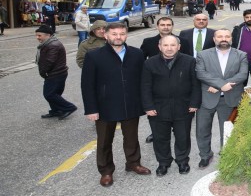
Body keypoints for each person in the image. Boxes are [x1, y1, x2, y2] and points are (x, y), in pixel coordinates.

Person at [81, 23, 151, 187]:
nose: (118, 37)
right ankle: (106, 171)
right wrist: (91, 109)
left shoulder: (137, 54)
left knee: (132, 138)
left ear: (126, 35)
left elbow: (143, 80)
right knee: (105, 140)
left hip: (131, 103)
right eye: (114, 34)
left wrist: (145, 103)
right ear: (105, 35)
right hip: (105, 106)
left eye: (121, 34)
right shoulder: (94, 56)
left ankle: (133, 163)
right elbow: (87, 85)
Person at [141, 35, 200, 176]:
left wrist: (194, 103)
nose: (169, 48)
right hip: (158, 108)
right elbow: (145, 86)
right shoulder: (150, 63)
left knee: (183, 137)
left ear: (178, 46)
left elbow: (196, 84)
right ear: (159, 47)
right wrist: (148, 106)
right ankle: (163, 162)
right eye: (165, 45)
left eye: (173, 45)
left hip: (184, 107)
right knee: (160, 138)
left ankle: (182, 161)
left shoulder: (190, 61)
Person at [195, 29, 248, 168]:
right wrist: (221, 85)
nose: (223, 39)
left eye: (227, 36)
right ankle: (205, 155)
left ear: (231, 38)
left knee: (227, 130)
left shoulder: (241, 55)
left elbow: (242, 75)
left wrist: (219, 86)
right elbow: (201, 73)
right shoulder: (203, 55)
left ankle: (227, 155)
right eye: (220, 36)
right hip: (206, 98)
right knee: (202, 129)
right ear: (214, 39)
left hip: (229, 99)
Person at [35, 25, 77, 120]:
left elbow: (49, 61)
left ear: (48, 35)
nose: (37, 38)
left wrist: (43, 72)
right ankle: (56, 110)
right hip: (56, 73)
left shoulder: (53, 45)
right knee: (54, 94)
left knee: (49, 94)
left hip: (56, 74)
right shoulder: (49, 43)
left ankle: (69, 107)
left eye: (39, 35)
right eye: (37, 35)